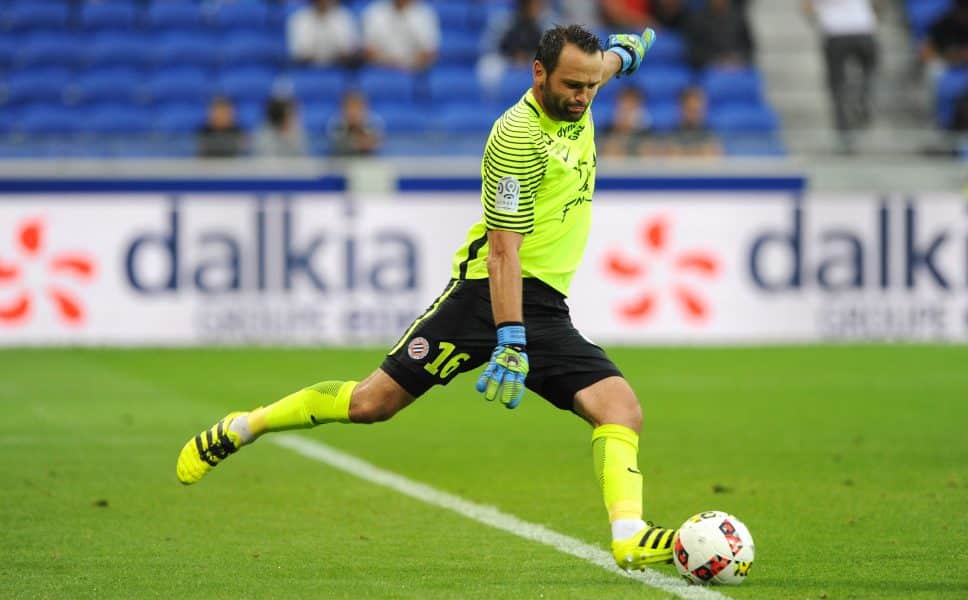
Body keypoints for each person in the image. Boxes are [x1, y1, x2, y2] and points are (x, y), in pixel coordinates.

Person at [176, 24, 675, 573]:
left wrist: (627, 53)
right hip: (484, 297)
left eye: (589, 86)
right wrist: (509, 337)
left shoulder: (585, 80)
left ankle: (628, 536)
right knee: (371, 405)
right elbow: (503, 251)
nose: (582, 97)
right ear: (538, 72)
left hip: (546, 306)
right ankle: (246, 425)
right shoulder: (516, 137)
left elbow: (607, 64)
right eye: (572, 86)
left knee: (620, 409)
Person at [802, 0, 879, 140]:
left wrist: (816, 20)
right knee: (869, 71)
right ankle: (862, 98)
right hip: (863, 28)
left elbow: (807, 8)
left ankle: (843, 127)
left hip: (835, 31)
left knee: (836, 82)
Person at [362, 0, 440, 71]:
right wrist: (392, 64)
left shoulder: (425, 14)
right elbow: (368, 51)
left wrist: (405, 65)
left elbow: (429, 53)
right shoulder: (374, 11)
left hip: (412, 72)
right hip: (379, 71)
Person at [285, 0, 360, 67]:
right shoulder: (299, 19)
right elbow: (299, 54)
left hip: (338, 68)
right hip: (307, 69)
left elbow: (349, 52)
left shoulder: (344, 17)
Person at [685, 0, 754, 69]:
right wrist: (716, 60)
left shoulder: (738, 17)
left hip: (737, 65)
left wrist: (738, 58)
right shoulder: (699, 19)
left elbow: (748, 45)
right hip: (710, 66)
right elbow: (695, 49)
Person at [664, 86, 722, 156]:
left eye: (696, 110)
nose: (693, 115)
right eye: (689, 110)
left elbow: (714, 156)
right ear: (680, 108)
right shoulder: (670, 136)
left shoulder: (711, 136)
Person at [327, 89, 383, 156]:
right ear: (342, 108)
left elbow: (377, 142)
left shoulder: (373, 121)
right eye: (349, 107)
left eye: (357, 107)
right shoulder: (336, 123)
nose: (353, 112)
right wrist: (357, 143)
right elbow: (336, 145)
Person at [600, 86, 654, 157]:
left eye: (632, 103)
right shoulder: (607, 130)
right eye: (624, 103)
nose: (627, 107)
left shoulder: (647, 133)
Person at [922, 0, 968, 68]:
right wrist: (954, 56)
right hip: (947, 68)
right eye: (964, 10)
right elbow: (925, 54)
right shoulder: (942, 26)